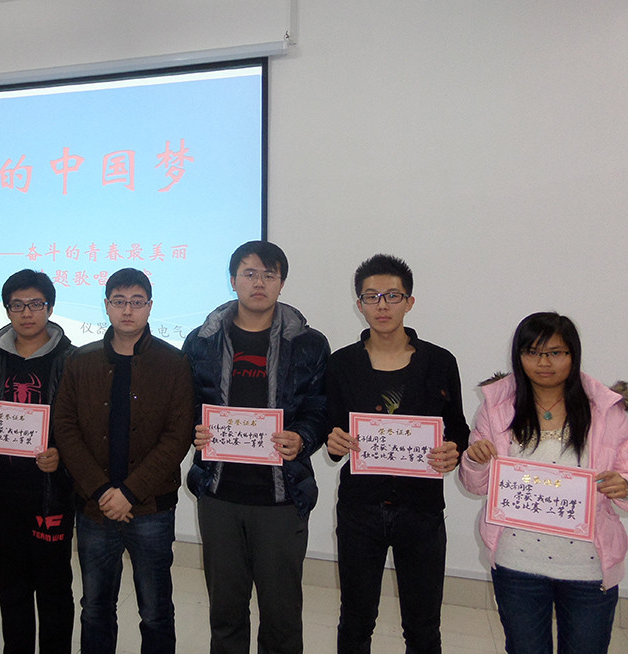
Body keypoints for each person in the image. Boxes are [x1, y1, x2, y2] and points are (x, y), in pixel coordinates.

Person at [184, 240, 330, 654]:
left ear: (282, 282)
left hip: (283, 497)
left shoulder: (309, 343)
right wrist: (194, 428)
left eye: (269, 274)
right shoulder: (202, 340)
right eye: (249, 273)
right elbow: (186, 402)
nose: (259, 282)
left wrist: (303, 437)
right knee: (225, 614)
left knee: (282, 618)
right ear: (233, 280)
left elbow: (320, 407)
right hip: (219, 494)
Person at [325, 254, 470, 653]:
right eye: (371, 296)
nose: (382, 305)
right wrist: (333, 441)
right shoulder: (341, 364)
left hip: (421, 510)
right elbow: (332, 430)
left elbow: (457, 428)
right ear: (359, 305)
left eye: (392, 295)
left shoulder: (439, 362)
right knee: (356, 621)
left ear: (410, 302)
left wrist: (453, 451)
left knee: (423, 627)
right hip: (360, 509)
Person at [459, 312, 628, 654]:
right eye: (532, 352)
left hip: (588, 568)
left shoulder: (609, 410)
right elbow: (475, 485)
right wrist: (475, 461)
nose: (544, 362)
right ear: (519, 356)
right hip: (516, 564)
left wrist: (623, 486)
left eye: (555, 353)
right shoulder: (497, 407)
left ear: (573, 354)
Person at [53, 268, 194, 654]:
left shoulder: (174, 363)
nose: (127, 310)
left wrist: (130, 492)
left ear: (150, 306)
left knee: (156, 611)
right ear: (106, 306)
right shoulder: (80, 361)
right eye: (119, 301)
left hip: (151, 509)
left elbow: (177, 436)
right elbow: (65, 428)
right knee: (95, 608)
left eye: (136, 302)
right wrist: (101, 490)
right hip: (94, 507)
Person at [0, 269, 76, 654]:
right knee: (11, 588)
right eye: (18, 305)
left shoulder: (72, 360)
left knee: (54, 589)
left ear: (50, 308)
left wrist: (61, 453)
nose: (27, 313)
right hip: (0, 494)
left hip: (50, 496)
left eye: (36, 304)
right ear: (7, 310)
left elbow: (84, 423)